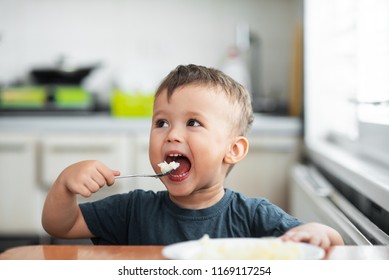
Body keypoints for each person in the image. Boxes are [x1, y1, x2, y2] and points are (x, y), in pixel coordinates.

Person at [42, 64, 344, 250]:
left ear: (233, 150)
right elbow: (62, 226)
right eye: (161, 123)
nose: (171, 134)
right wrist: (65, 185)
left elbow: (333, 241)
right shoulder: (133, 209)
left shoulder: (253, 215)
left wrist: (317, 231)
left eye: (193, 123)